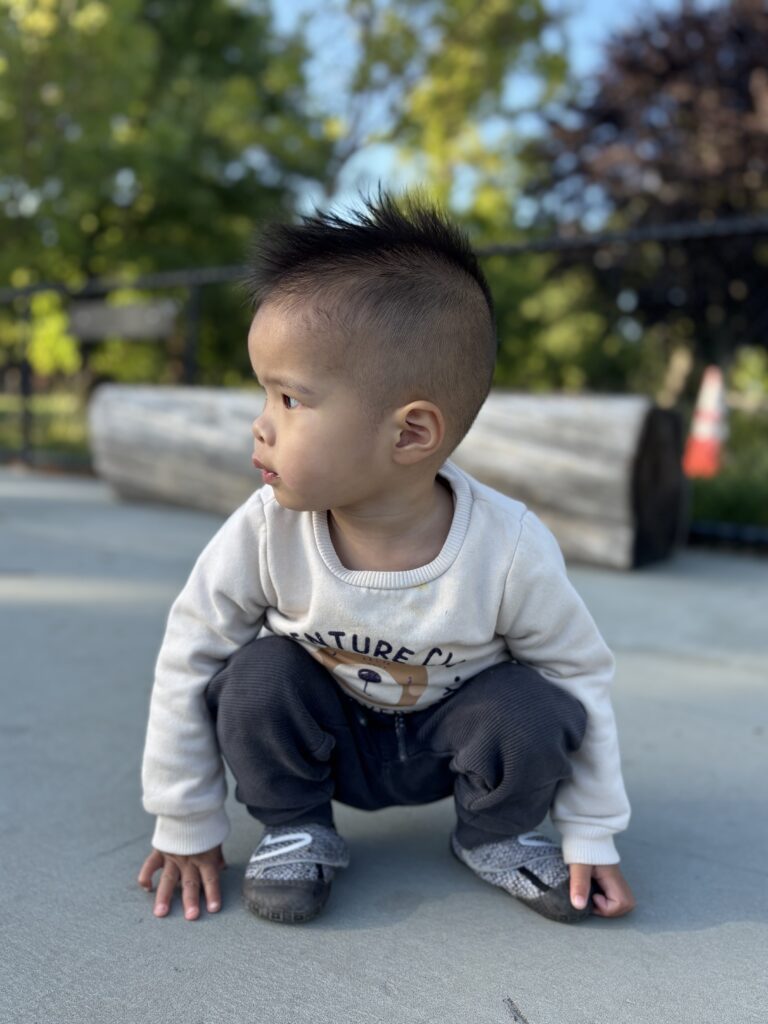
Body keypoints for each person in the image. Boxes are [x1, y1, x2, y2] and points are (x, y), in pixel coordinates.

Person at [137, 191, 636, 926]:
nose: (260, 425)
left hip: (448, 745)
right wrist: (184, 819)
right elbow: (191, 653)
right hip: (326, 741)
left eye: (290, 399)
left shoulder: (506, 547)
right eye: (264, 395)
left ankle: (494, 833)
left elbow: (578, 674)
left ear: (409, 435)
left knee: (533, 705)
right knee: (255, 675)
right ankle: (297, 826)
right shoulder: (267, 529)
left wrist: (592, 828)